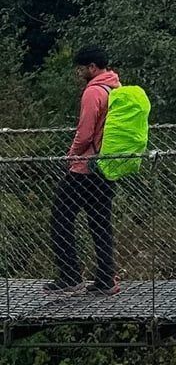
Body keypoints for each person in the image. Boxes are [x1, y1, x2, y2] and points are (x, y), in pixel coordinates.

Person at [45, 45, 121, 296]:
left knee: (60, 217)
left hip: (84, 168)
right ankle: (106, 279)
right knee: (100, 222)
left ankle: (69, 275)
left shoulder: (93, 93)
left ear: (92, 67)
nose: (78, 74)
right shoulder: (115, 88)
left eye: (80, 69)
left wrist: (70, 156)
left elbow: (85, 133)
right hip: (106, 167)